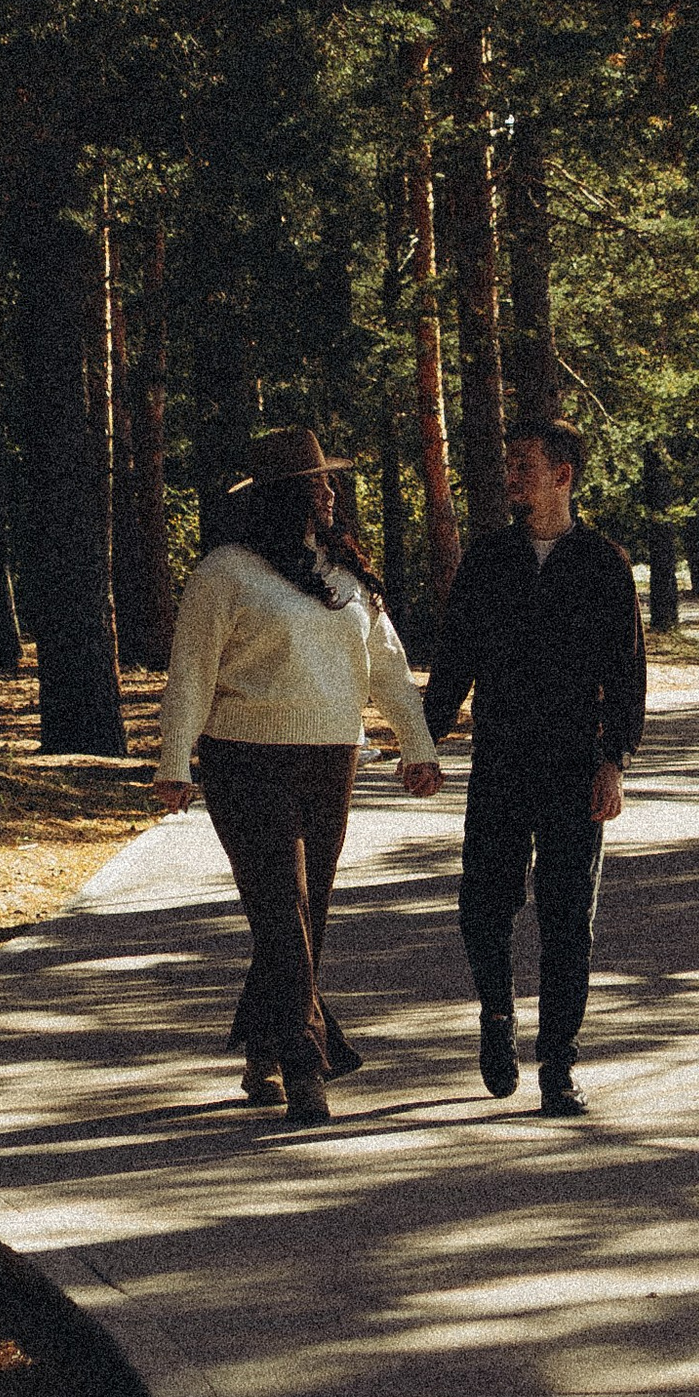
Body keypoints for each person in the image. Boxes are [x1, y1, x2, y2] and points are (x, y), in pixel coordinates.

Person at [153, 424, 444, 1124]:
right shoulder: (224, 572)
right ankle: (308, 1066)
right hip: (245, 760)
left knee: (305, 918)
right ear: (284, 495)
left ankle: (263, 1047)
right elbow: (190, 673)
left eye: (330, 479)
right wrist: (174, 760)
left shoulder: (348, 576)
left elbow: (388, 669)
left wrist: (418, 745)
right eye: (315, 482)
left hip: (330, 760)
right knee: (282, 912)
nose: (330, 492)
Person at [424, 419, 645, 1119]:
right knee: (482, 904)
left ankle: (559, 1064)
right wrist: (424, 742)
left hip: (574, 766)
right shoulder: (487, 561)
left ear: (563, 475)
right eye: (508, 464)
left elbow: (628, 675)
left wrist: (615, 760)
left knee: (566, 916)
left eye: (523, 465)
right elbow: (453, 660)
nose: (510, 477)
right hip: (501, 762)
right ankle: (497, 1017)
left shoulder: (604, 564)